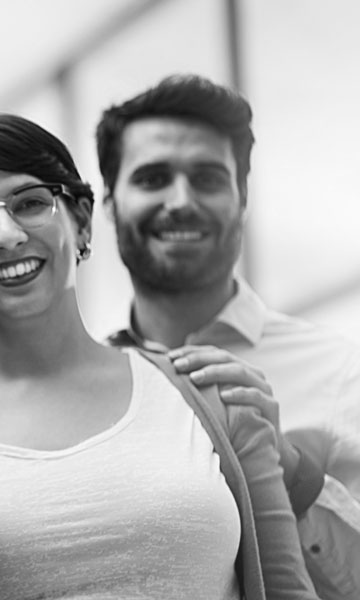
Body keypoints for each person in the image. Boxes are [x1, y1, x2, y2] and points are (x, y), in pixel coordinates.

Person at [0, 113, 315, 599]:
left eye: (31, 203)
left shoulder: (211, 393)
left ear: (82, 221)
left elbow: (287, 588)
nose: (6, 234)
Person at [98, 74, 360, 598]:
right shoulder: (86, 388)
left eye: (207, 178)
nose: (180, 201)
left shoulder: (342, 374)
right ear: (109, 204)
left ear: (242, 199)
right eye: (152, 178)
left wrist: (290, 470)